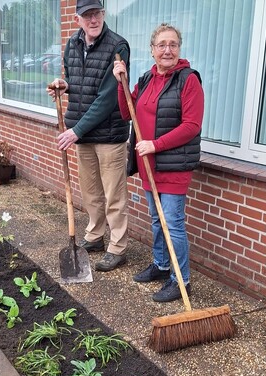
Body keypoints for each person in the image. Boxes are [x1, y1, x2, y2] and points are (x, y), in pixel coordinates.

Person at [112, 23, 204, 302]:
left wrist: (155, 145)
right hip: (149, 165)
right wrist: (122, 83)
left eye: (173, 44)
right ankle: (162, 265)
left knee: (173, 223)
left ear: (179, 48)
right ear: (152, 50)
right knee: (157, 219)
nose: (167, 50)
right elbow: (127, 112)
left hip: (174, 166)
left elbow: (192, 125)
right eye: (161, 44)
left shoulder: (188, 80)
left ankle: (181, 280)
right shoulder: (147, 79)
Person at [47, 0, 131, 272]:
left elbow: (107, 97)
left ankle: (117, 248)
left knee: (114, 195)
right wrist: (64, 86)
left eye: (97, 14)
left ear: (103, 15)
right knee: (91, 192)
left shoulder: (118, 46)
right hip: (82, 133)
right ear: (78, 19)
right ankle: (95, 236)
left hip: (109, 135)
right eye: (87, 15)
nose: (93, 20)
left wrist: (76, 131)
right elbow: (81, 84)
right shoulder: (73, 45)